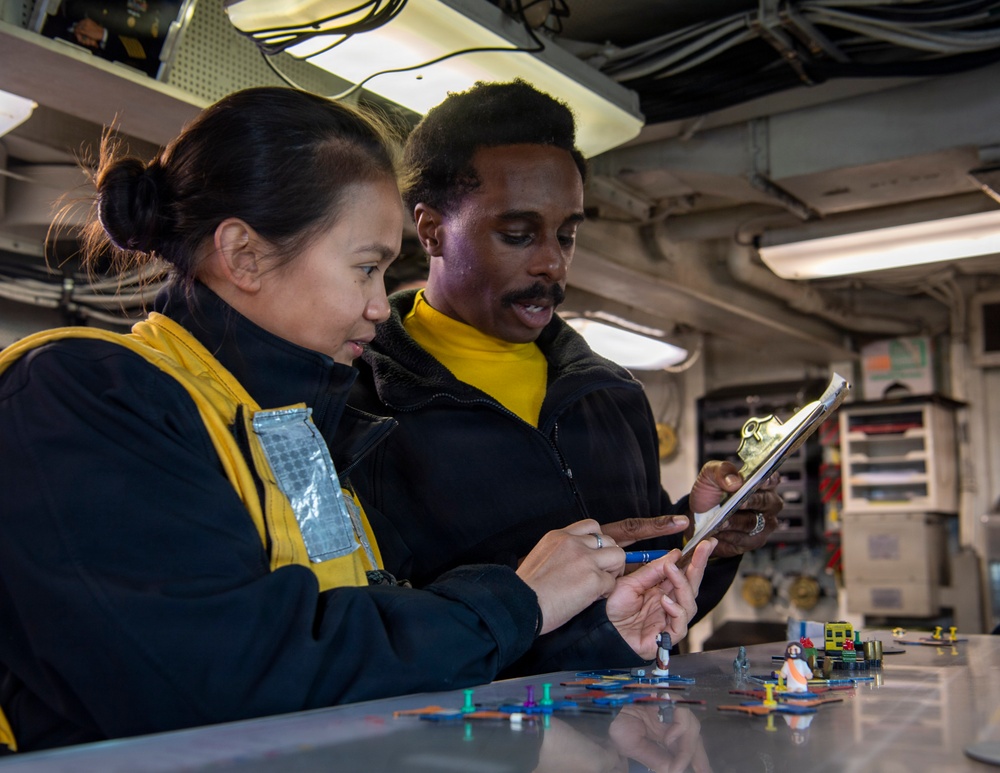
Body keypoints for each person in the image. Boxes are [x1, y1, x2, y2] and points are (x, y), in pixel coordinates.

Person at [0, 87, 716, 754]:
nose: (380, 304)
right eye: (366, 267)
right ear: (244, 255)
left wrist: (595, 641)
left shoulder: (292, 429)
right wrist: (518, 601)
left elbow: (369, 682)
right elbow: (220, 676)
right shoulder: (79, 395)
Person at [349, 79, 783, 672]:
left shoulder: (611, 394)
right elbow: (376, 640)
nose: (552, 262)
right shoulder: (360, 404)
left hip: (634, 725)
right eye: (517, 235)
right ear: (431, 230)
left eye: (567, 234)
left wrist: (706, 533)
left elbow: (647, 596)